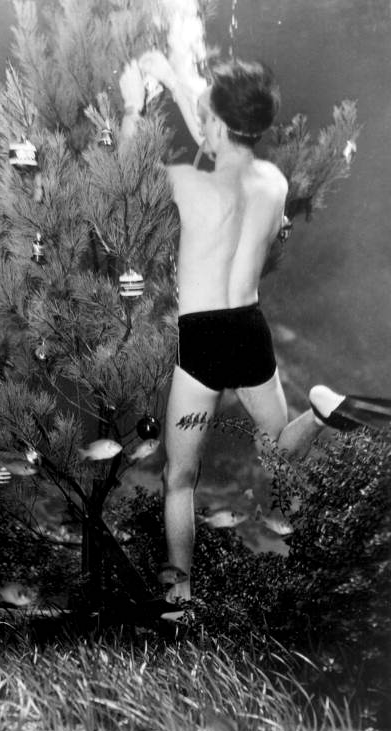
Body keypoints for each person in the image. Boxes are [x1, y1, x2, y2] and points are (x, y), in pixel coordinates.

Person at [119, 53, 378, 605]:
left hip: (204, 338)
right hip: (250, 329)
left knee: (179, 479)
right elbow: (225, 136)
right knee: (283, 448)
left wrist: (131, 108)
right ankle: (323, 410)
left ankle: (178, 600)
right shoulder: (275, 184)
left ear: (213, 118)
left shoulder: (188, 180)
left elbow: (124, 173)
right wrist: (170, 73)